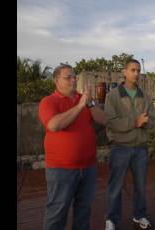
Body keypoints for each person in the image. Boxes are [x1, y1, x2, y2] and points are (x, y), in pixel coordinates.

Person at [38, 64, 106, 230]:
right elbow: (54, 125)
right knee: (57, 214)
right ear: (56, 81)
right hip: (62, 170)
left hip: (88, 168)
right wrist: (79, 107)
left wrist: (89, 104)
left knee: (83, 212)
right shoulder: (48, 102)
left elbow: (103, 120)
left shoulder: (83, 100)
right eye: (68, 77)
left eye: (74, 77)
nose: (73, 80)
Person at [104, 59, 155, 230]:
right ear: (124, 72)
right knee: (116, 186)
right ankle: (111, 220)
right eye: (133, 70)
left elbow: (154, 120)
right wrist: (135, 122)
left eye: (138, 70)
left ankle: (140, 215)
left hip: (140, 148)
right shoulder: (112, 96)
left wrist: (146, 122)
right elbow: (111, 122)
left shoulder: (146, 97)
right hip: (120, 147)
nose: (136, 73)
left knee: (141, 186)